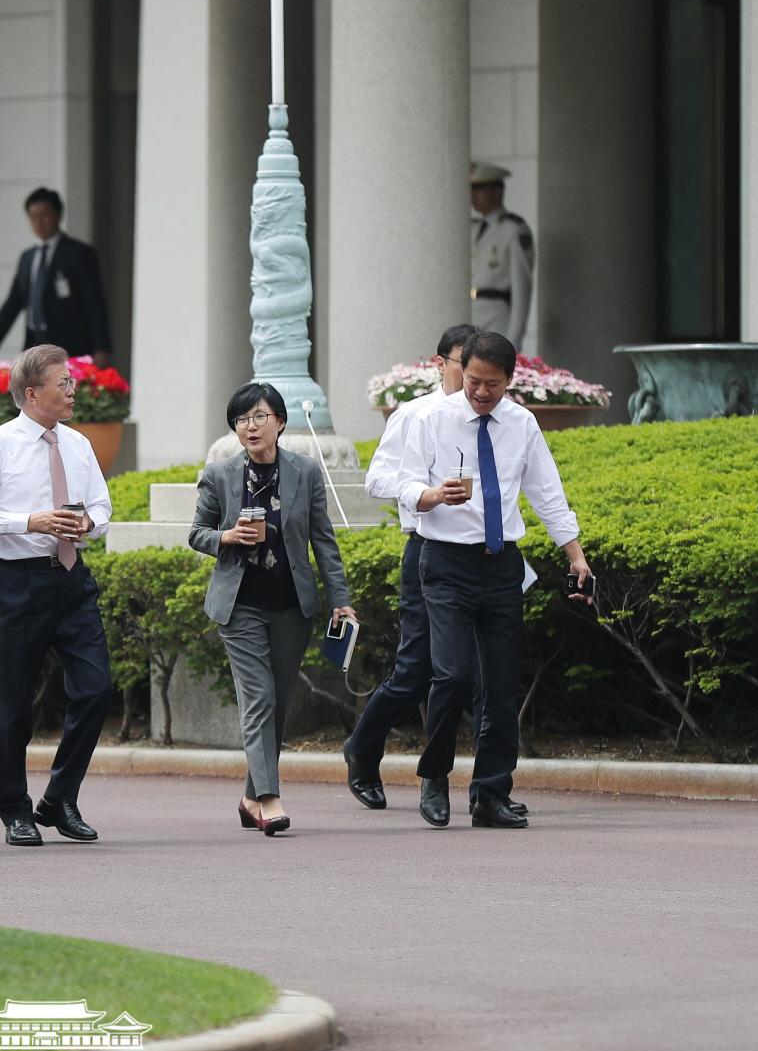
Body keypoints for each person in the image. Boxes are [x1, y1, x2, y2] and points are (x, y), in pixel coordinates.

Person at [396, 330, 592, 829]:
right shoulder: (432, 418)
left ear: (510, 380)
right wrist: (434, 496)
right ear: (461, 373)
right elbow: (402, 481)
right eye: (474, 382)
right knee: (454, 674)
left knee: (502, 685)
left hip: (501, 565)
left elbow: (548, 492)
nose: (481, 393)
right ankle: (435, 776)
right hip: (444, 563)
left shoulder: (522, 423)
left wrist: (575, 555)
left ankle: (490, 793)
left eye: (493, 385)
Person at [344, 322, 528, 816]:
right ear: (444, 364)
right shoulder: (417, 414)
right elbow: (379, 478)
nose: (476, 382)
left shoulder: (511, 420)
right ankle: (363, 750)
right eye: (463, 366)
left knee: (483, 678)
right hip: (427, 551)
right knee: (419, 672)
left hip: (488, 559)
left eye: (489, 375)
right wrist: (424, 494)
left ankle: (476, 787)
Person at [0, 343, 114, 847]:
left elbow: (102, 504)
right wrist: (32, 520)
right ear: (31, 393)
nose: (73, 389)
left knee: (95, 689)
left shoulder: (78, 444)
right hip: (13, 584)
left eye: (71, 381)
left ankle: (59, 800)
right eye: (63, 383)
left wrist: (88, 521)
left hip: (71, 578)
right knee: (12, 707)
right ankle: (15, 811)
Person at [189, 382, 355, 836]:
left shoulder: (305, 471)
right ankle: (269, 799)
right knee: (259, 699)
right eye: (242, 420)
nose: (251, 426)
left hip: (291, 606)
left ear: (280, 422)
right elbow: (196, 532)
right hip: (239, 606)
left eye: (260, 416)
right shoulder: (220, 475)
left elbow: (324, 540)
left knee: (277, 706)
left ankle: (248, 797)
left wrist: (340, 600)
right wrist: (226, 537)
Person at [0, 188, 113, 367]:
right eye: (33, 216)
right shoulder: (27, 258)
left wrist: (101, 348)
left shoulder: (78, 254)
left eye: (45, 215)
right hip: (35, 345)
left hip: (71, 346)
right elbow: (12, 305)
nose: (39, 222)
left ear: (58, 215)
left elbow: (95, 303)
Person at [470, 162, 534, 348]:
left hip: (497, 319)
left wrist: (514, 337)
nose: (473, 195)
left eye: (479, 188)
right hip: (469, 314)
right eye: (472, 188)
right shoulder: (472, 229)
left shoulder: (513, 229)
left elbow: (522, 287)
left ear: (497, 191)